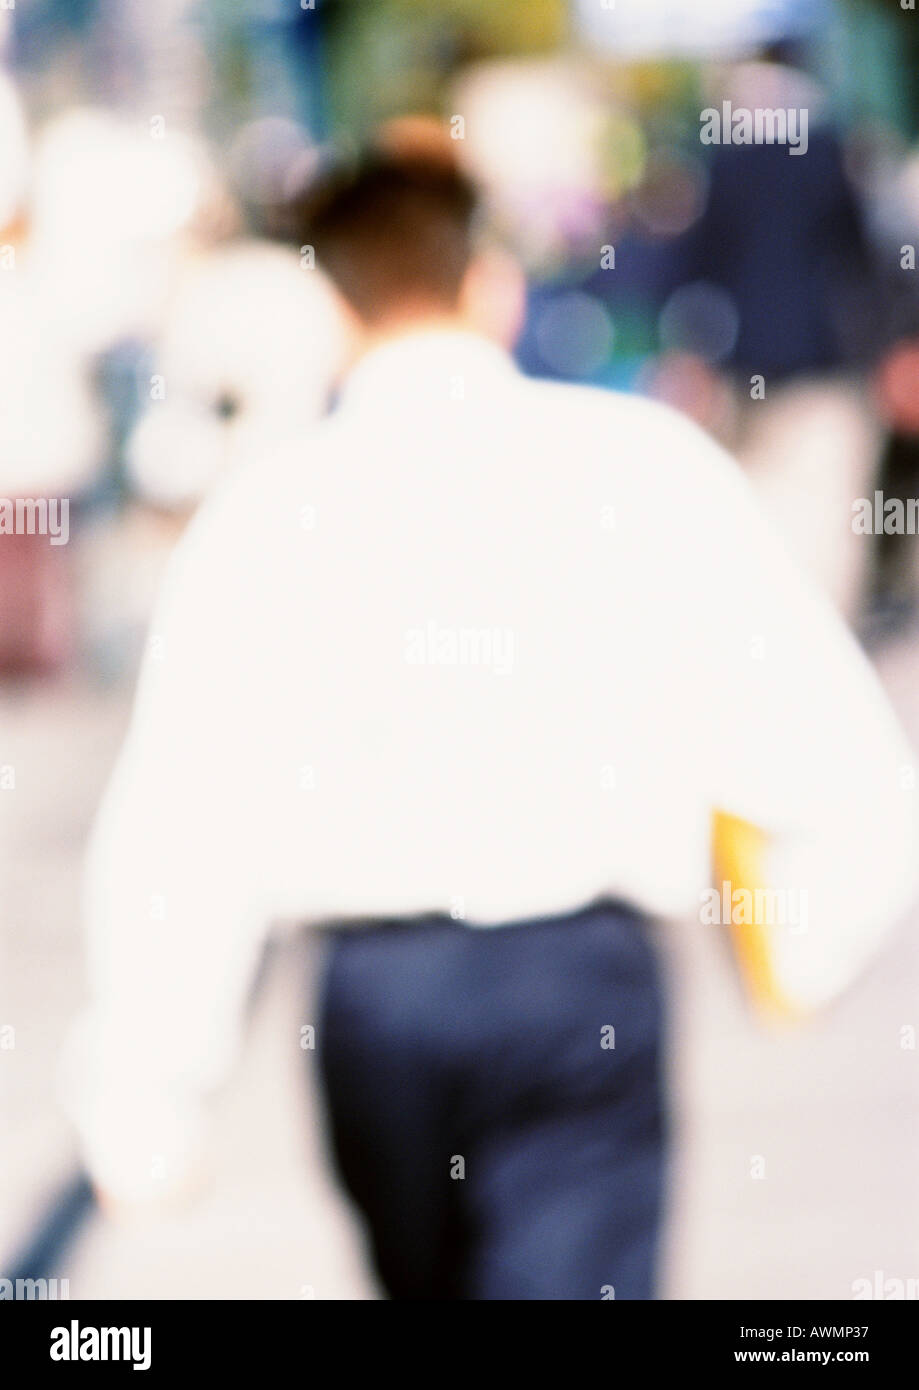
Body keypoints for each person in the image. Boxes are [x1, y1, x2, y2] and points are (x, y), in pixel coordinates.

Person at [67, 142, 917, 1300]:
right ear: (492, 284)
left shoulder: (274, 508)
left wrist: (146, 1090)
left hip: (378, 997)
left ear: (335, 301)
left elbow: (183, 812)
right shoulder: (635, 465)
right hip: (582, 976)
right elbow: (821, 733)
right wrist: (807, 938)